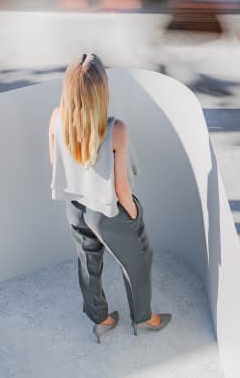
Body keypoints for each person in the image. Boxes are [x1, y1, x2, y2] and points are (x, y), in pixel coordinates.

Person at [49, 54, 171, 341]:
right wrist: (133, 212)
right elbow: (120, 187)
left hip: (75, 207)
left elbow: (54, 160)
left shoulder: (56, 117)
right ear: (101, 89)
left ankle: (101, 319)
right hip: (107, 211)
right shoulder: (115, 129)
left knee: (88, 264)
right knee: (138, 262)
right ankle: (144, 319)